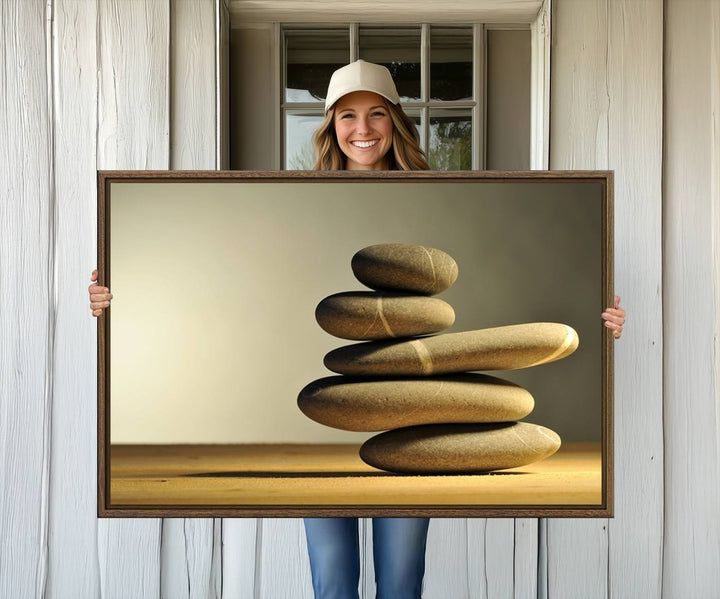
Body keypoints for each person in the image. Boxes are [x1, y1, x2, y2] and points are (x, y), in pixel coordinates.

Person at [88, 60, 627, 599]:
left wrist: (606, 320)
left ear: (396, 121)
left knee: (400, 581)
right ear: (330, 125)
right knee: (332, 583)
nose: (362, 130)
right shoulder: (287, 197)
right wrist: (110, 299)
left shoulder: (443, 192)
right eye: (348, 116)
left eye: (376, 115)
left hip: (413, 426)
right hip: (307, 438)